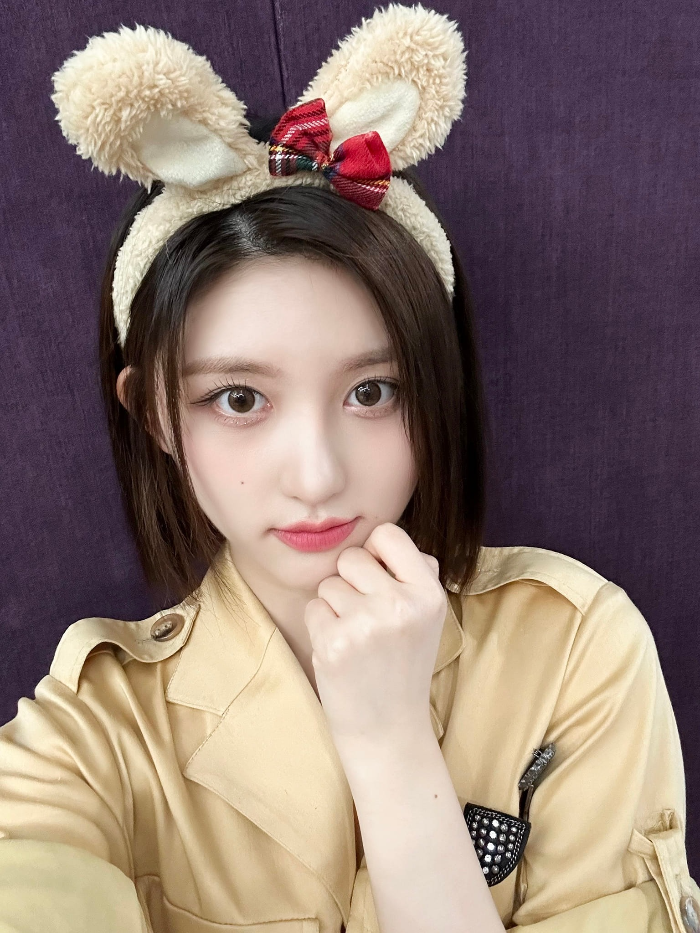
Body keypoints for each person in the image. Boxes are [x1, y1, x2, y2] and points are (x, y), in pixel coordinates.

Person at [0, 5, 697, 932]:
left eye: (373, 391)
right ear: (157, 415)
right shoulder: (92, 735)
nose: (318, 475)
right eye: (238, 399)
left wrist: (391, 743)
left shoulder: (575, 649)